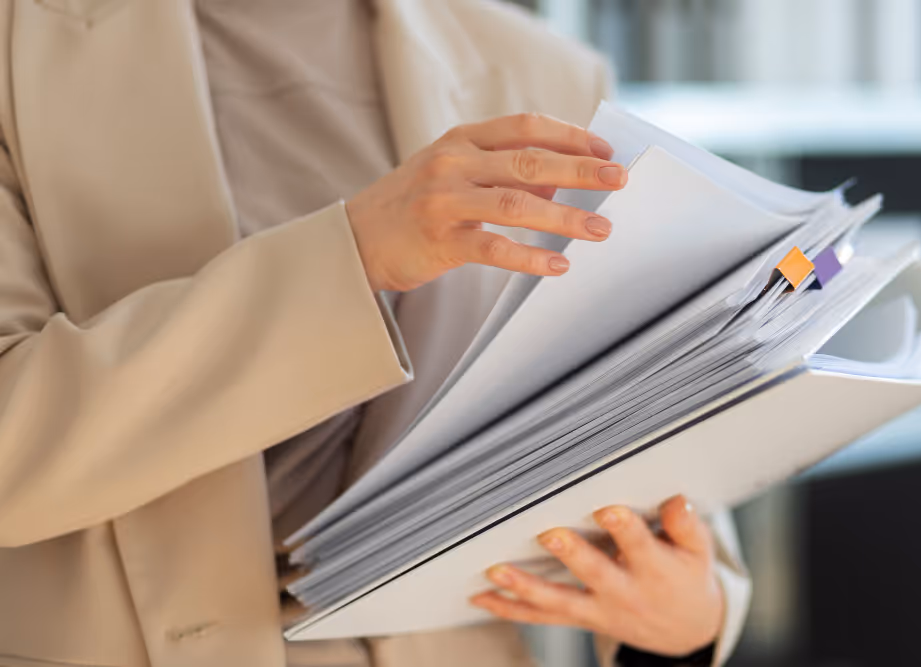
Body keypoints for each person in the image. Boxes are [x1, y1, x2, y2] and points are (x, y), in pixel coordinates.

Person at [0, 1, 749, 666]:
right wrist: (353, 258)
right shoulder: (18, 46)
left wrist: (681, 626)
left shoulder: (544, 69)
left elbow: (640, 438)